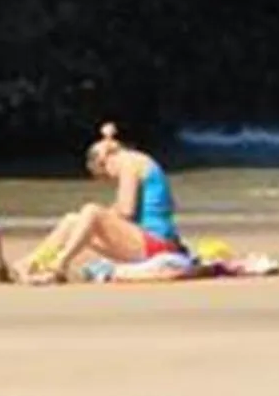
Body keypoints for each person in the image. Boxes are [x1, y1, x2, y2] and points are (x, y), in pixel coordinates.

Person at [17, 122, 185, 284]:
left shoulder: (128, 163)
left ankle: (59, 264)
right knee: (73, 220)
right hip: (145, 240)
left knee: (91, 211)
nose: (110, 179)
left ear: (104, 161)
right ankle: (29, 262)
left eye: (105, 175)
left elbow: (126, 210)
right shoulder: (139, 162)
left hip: (156, 244)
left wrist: (98, 218)